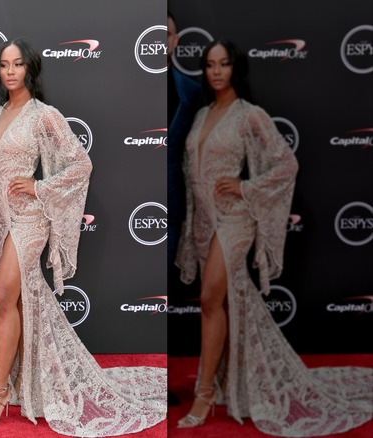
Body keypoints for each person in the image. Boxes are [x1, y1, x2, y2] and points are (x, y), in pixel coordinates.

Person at [0, 38, 167, 436]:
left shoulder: (44, 115)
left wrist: (39, 187)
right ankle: (31, 383)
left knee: (5, 297)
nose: (10, 71)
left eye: (17, 64)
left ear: (30, 69)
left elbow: (81, 164)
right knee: (20, 301)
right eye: (3, 65)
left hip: (29, 219)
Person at [175, 39, 372, 435]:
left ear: (236, 68)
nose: (216, 72)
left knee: (212, 297)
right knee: (226, 302)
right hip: (204, 222)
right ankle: (239, 382)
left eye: (224, 64)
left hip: (235, 219)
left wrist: (246, 188)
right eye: (210, 65)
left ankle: (205, 392)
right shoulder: (200, 116)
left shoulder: (249, 115)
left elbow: (286, 163)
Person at [166, 11, 202, 408]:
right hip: (130, 199)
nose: (161, 40)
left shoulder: (192, 91)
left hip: (176, 204)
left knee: (166, 292)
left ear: (177, 40)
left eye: (168, 33)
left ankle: (166, 378)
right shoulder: (132, 82)